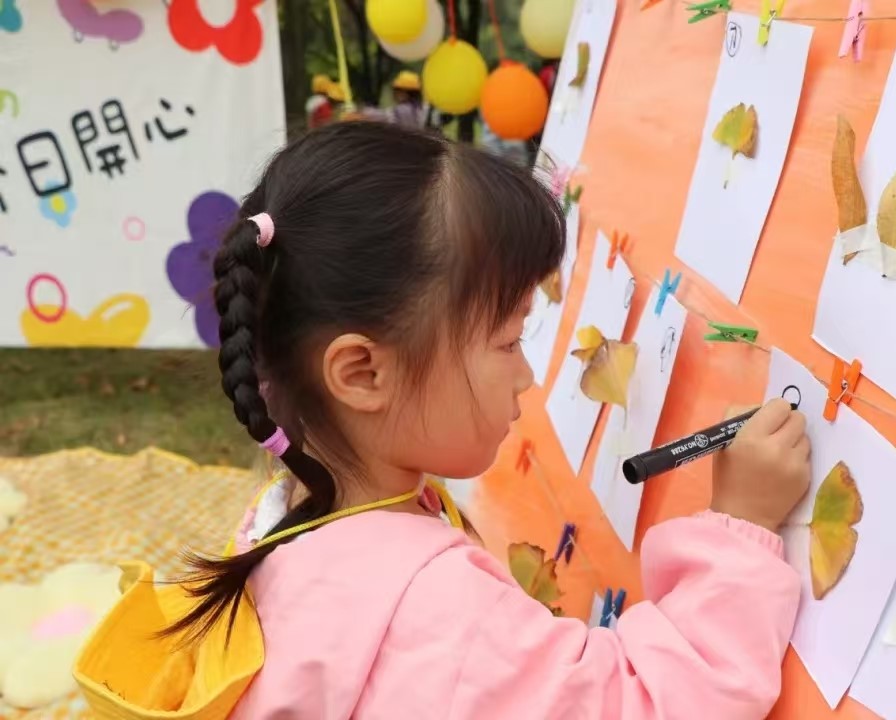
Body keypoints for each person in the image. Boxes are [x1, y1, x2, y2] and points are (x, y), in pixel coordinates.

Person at [77, 122, 810, 719]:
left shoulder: (291, 510)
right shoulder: (435, 610)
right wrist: (738, 530)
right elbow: (649, 704)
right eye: (507, 341)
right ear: (363, 373)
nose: (528, 376)